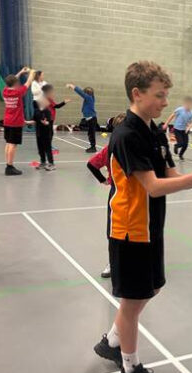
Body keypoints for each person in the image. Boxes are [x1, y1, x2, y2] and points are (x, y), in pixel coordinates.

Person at [93, 61, 192, 373]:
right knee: (133, 302)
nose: (164, 102)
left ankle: (112, 342)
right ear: (137, 93)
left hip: (152, 226)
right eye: (159, 95)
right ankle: (129, 369)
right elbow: (153, 187)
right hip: (130, 228)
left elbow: (170, 177)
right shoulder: (126, 135)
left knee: (152, 288)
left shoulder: (155, 132)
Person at [86, 112, 127, 279]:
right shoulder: (109, 149)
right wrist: (104, 180)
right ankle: (113, 262)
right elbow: (92, 164)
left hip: (136, 195)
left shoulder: (137, 149)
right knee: (113, 231)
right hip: (117, 195)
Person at [3, 67, 35, 176]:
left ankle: (8, 164)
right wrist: (31, 73)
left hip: (7, 121)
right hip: (15, 122)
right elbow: (29, 82)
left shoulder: (5, 91)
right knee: (13, 144)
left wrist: (20, 72)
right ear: (16, 83)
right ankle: (9, 167)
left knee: (8, 143)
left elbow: (11, 81)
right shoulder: (18, 92)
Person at [66, 83, 97, 153]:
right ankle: (92, 146)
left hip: (92, 119)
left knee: (91, 134)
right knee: (90, 133)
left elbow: (81, 93)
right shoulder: (90, 98)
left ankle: (93, 147)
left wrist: (72, 86)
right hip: (90, 119)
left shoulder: (89, 98)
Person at [33, 96, 55, 171]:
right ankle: (43, 162)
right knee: (40, 149)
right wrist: (26, 122)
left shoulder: (47, 111)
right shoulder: (36, 111)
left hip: (46, 133)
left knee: (47, 149)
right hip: (38, 133)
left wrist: (46, 123)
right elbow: (35, 120)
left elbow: (49, 121)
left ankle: (51, 164)